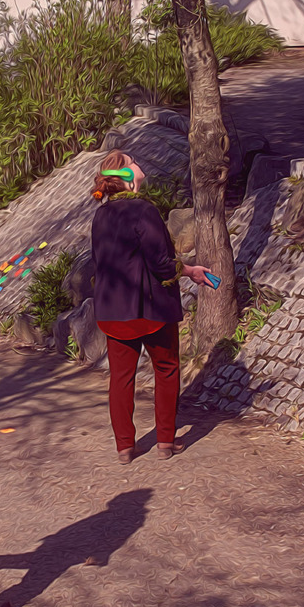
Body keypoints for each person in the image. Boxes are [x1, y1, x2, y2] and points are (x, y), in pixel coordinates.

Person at [89, 150, 214, 464]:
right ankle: (165, 442)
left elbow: (98, 262)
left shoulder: (101, 215)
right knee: (167, 370)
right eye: (132, 162)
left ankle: (124, 447)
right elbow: (160, 263)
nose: (138, 164)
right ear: (128, 177)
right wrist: (190, 271)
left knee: (121, 378)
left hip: (112, 311)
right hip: (150, 310)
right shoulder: (144, 211)